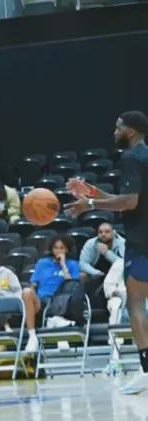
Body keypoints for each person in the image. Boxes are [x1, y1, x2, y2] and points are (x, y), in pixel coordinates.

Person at [66, 110, 148, 395]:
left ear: (131, 132)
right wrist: (91, 191)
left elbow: (129, 202)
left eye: (118, 128)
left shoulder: (131, 157)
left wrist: (89, 205)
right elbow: (130, 199)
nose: (114, 132)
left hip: (142, 242)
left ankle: (146, 371)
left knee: (135, 304)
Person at [22, 235, 80, 353]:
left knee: (60, 302)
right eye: (56, 248)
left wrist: (63, 264)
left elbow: (72, 284)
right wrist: (30, 296)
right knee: (26, 292)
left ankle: (54, 322)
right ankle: (32, 337)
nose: (58, 251)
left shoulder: (73, 264)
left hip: (62, 300)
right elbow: (34, 283)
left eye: (62, 248)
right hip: (42, 300)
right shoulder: (42, 263)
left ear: (67, 250)